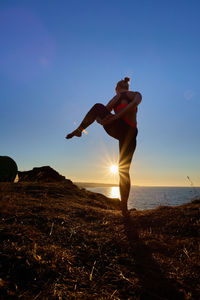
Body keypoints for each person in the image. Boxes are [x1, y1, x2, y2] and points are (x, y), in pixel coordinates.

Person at [66, 77, 142, 217]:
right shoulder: (125, 96)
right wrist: (104, 120)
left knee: (122, 170)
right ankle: (124, 208)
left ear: (118, 88)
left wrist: (116, 116)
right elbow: (99, 117)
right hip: (125, 131)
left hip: (124, 130)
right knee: (124, 171)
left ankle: (79, 129)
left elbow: (132, 104)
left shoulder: (127, 95)